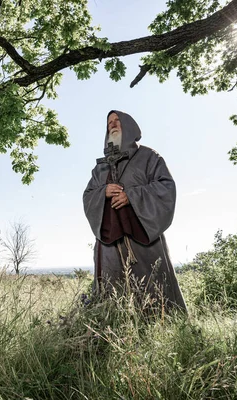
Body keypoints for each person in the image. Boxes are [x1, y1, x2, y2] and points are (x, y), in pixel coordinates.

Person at [83, 110, 187, 314]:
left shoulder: (149, 157)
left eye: (117, 121)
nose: (112, 125)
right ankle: (112, 329)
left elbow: (166, 187)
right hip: (109, 243)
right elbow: (88, 196)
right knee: (112, 290)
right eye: (109, 123)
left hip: (143, 239)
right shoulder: (100, 168)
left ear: (129, 125)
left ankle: (161, 326)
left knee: (153, 286)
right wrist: (103, 192)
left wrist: (132, 196)